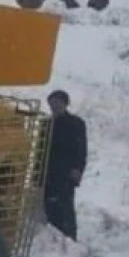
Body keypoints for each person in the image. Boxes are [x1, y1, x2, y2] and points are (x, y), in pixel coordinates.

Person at [43, 90, 87, 240]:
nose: (54, 106)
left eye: (58, 102)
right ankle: (54, 237)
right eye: (52, 103)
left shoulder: (76, 123)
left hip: (66, 173)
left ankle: (69, 237)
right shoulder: (46, 124)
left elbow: (81, 150)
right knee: (49, 207)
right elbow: (40, 150)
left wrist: (77, 170)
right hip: (48, 172)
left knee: (65, 207)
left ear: (65, 104)